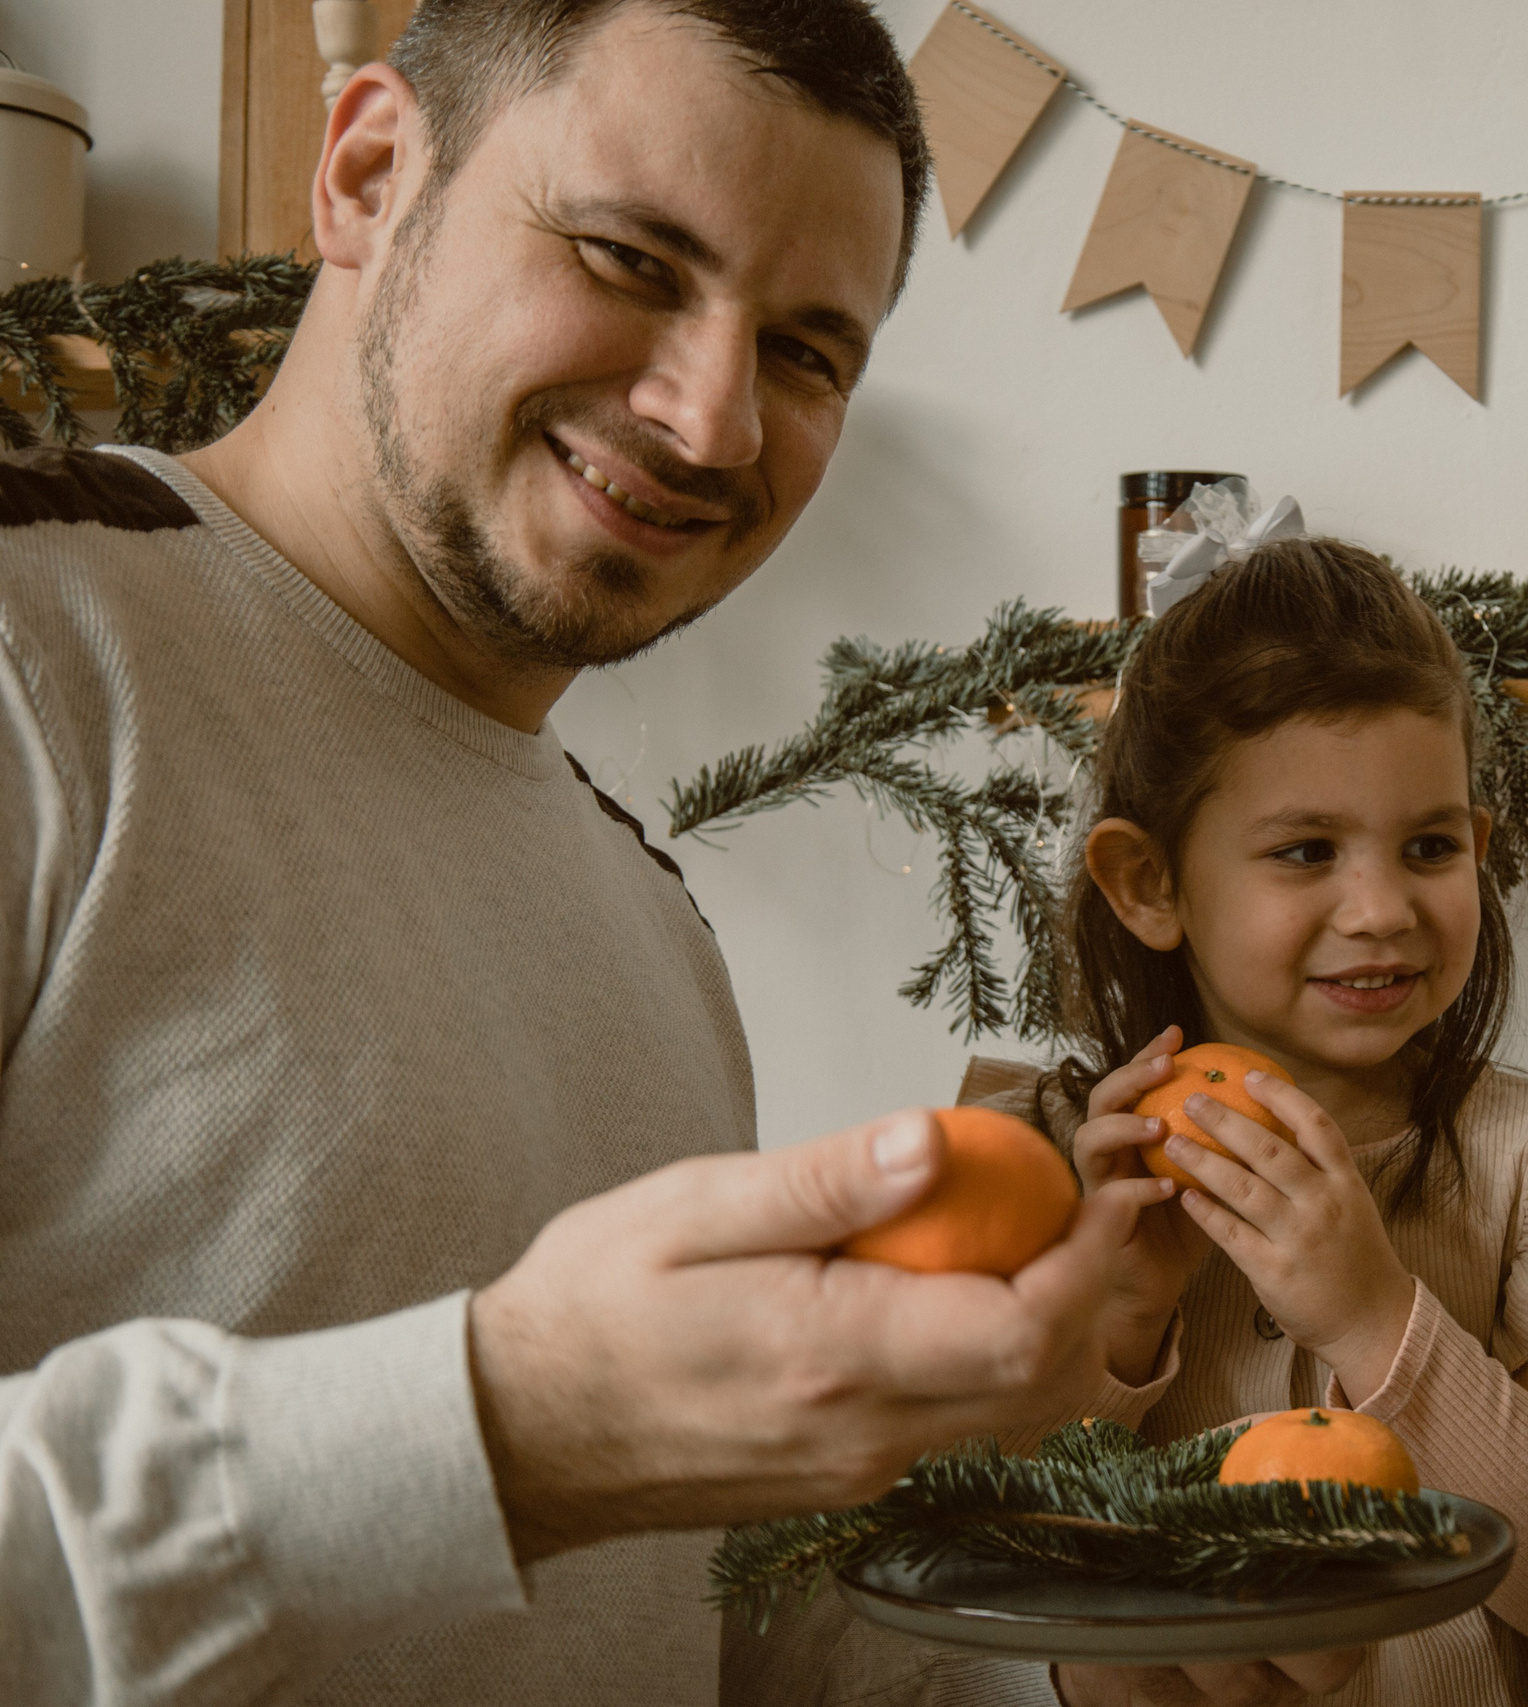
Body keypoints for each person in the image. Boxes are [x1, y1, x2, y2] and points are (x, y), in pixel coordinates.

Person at [0, 5, 1152, 1704]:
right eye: (628, 257)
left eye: (807, 352)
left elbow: (713, 1631)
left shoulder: (651, 917)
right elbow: (542, 1449)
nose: (713, 421)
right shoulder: (37, 655)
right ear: (372, 173)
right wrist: (508, 1426)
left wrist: (1100, 1660)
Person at [766, 535, 1528, 1706]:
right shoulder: (1035, 1171)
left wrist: (1376, 1321)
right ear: (1149, 886)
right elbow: (943, 1569)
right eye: (1305, 851)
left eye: (1429, 845)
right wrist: (1114, 1330)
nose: (1381, 908)